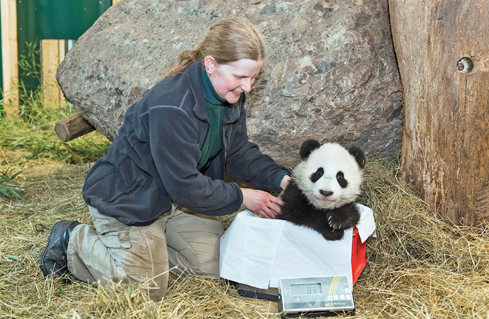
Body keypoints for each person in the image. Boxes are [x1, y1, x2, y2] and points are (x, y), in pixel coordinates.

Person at [39, 17, 291, 300]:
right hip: (131, 198)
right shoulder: (172, 105)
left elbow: (238, 152)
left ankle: (147, 256)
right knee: (147, 290)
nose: (247, 87)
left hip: (172, 200)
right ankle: (72, 241)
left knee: (219, 265)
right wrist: (243, 197)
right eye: (240, 77)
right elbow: (184, 183)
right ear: (210, 64)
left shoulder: (229, 94)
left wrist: (281, 178)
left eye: (253, 77)